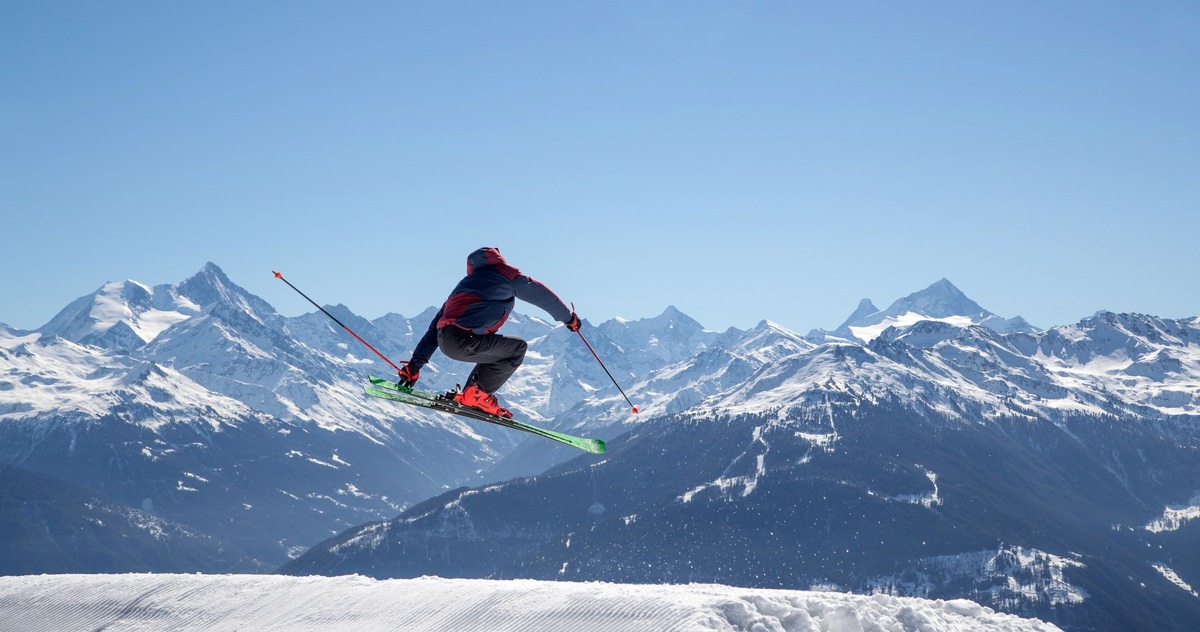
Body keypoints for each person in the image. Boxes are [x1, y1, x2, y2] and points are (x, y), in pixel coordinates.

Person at [397, 247, 581, 418]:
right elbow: (541, 295)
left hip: (446, 339)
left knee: (496, 352)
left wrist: (414, 366)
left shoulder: (462, 288)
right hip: (464, 339)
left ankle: (471, 394)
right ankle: (476, 396)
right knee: (517, 349)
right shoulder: (505, 275)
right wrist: (568, 318)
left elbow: (433, 329)